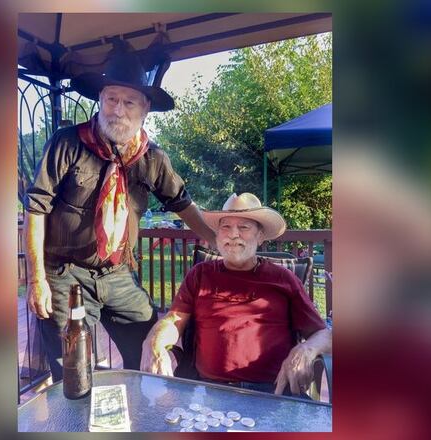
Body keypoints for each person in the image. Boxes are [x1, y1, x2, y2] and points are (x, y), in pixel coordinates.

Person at [23, 51, 216, 381]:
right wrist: (37, 278)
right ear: (100, 99)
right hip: (65, 274)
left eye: (129, 102)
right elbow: (35, 209)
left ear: (145, 109)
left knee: (152, 344)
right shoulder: (66, 143)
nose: (118, 109)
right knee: (73, 369)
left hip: (118, 274)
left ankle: (140, 418)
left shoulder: (153, 159)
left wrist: (215, 239)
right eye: (111, 98)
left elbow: (182, 203)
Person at [141, 193, 331, 396]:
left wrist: (306, 350)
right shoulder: (200, 274)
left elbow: (324, 335)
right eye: (225, 227)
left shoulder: (284, 279)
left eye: (244, 227)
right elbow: (173, 321)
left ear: (260, 236)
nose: (233, 235)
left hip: (272, 392)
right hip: (209, 391)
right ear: (217, 235)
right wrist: (154, 342)